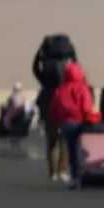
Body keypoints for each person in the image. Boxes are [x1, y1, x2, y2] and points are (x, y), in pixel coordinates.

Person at [32, 34, 77, 181]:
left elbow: (35, 69)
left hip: (48, 109)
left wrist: (39, 53)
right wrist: (73, 53)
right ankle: (63, 171)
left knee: (51, 141)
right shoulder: (68, 78)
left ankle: (53, 172)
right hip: (65, 110)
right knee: (64, 140)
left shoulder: (46, 76)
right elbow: (77, 67)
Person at [48, 62, 100, 189]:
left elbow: (54, 108)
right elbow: (86, 106)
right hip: (81, 122)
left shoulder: (61, 89)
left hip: (66, 123)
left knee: (72, 150)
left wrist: (55, 123)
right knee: (83, 150)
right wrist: (92, 118)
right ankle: (86, 174)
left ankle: (74, 176)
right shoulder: (82, 87)